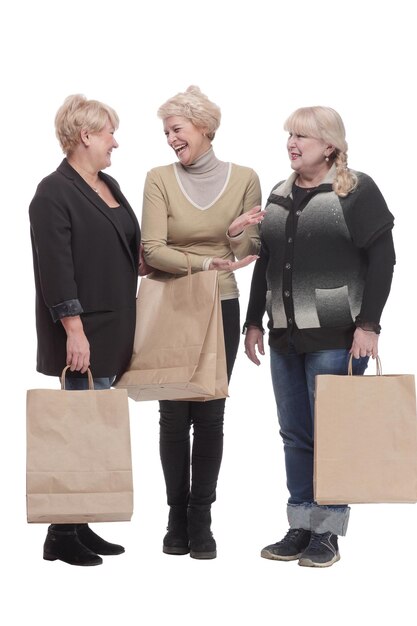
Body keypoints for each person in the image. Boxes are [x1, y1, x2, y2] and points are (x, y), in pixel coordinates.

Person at [244, 106, 395, 568]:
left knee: (333, 433)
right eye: (290, 134)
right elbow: (265, 264)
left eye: (303, 136)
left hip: (337, 335)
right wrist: (253, 322)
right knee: (295, 434)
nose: (292, 143)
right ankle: (300, 524)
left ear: (329, 145)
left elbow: (383, 260)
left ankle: (327, 531)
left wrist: (368, 326)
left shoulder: (357, 190)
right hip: (285, 336)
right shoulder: (279, 194)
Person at [141, 85, 264, 559]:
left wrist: (232, 236)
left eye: (176, 129)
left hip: (221, 305)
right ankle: (175, 517)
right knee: (173, 414)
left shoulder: (246, 178)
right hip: (171, 304)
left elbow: (248, 252)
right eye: (166, 131)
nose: (170, 138)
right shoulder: (158, 179)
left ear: (204, 128)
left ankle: (201, 518)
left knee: (210, 414)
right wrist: (205, 263)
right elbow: (152, 249)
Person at [29, 94, 141, 566]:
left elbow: (130, 253)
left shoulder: (107, 183)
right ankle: (61, 533)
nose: (116, 141)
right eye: (109, 132)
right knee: (76, 431)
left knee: (94, 431)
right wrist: (73, 330)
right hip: (84, 334)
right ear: (85, 136)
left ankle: (80, 523)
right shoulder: (53, 192)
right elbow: (56, 269)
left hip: (116, 329)